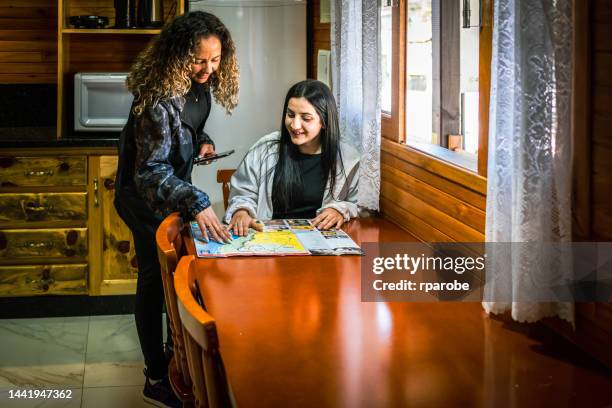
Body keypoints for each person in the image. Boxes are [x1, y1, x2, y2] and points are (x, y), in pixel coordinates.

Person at [114, 11, 238, 407]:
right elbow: (150, 172)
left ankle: (174, 357)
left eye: (216, 59)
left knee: (175, 280)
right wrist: (196, 201)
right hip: (143, 200)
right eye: (198, 60)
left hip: (172, 198)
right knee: (155, 280)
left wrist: (201, 141)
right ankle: (154, 377)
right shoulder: (155, 98)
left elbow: (190, 126)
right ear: (177, 54)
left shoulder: (200, 86)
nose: (208, 69)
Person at [224, 79, 359, 236]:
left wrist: (340, 210)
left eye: (305, 118)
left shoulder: (348, 159)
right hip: (269, 240)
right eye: (290, 115)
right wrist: (241, 211)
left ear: (324, 121)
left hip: (320, 241)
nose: (295, 125)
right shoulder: (265, 148)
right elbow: (243, 192)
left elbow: (360, 207)